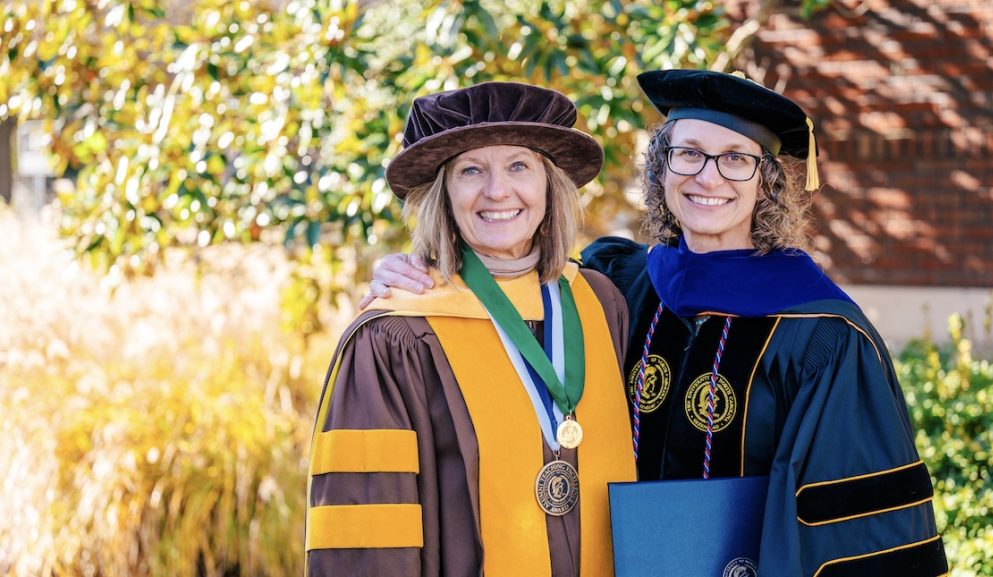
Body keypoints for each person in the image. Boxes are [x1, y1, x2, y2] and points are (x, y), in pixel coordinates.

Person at [363, 69, 949, 576]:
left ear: (767, 182)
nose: (708, 177)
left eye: (735, 159)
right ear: (662, 171)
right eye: (688, 153)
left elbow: (852, 522)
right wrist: (424, 270)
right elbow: (504, 304)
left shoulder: (821, 332)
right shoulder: (617, 286)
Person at [304, 81, 635, 577]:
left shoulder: (599, 300)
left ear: (549, 185)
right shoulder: (397, 334)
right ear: (444, 195)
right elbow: (369, 537)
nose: (497, 191)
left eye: (519, 166)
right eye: (471, 171)